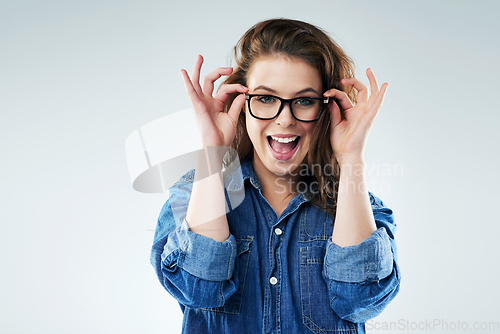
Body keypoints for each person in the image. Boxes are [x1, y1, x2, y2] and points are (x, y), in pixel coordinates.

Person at [151, 18, 400, 334]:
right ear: (242, 104)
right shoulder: (192, 194)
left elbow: (361, 299)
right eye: (266, 98)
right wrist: (213, 153)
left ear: (327, 108)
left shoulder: (359, 205)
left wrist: (351, 158)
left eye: (305, 101)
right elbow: (198, 290)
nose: (285, 119)